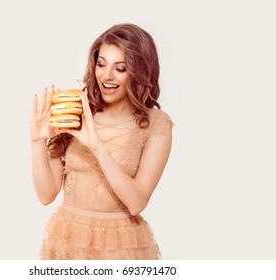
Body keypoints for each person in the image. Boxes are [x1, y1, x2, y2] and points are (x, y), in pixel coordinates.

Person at [30, 23, 173, 260]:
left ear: (139, 72)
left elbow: (137, 202)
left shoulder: (157, 124)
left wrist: (96, 146)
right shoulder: (77, 110)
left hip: (120, 245)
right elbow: (46, 195)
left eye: (121, 68)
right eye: (101, 64)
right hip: (67, 240)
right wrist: (37, 141)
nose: (106, 76)